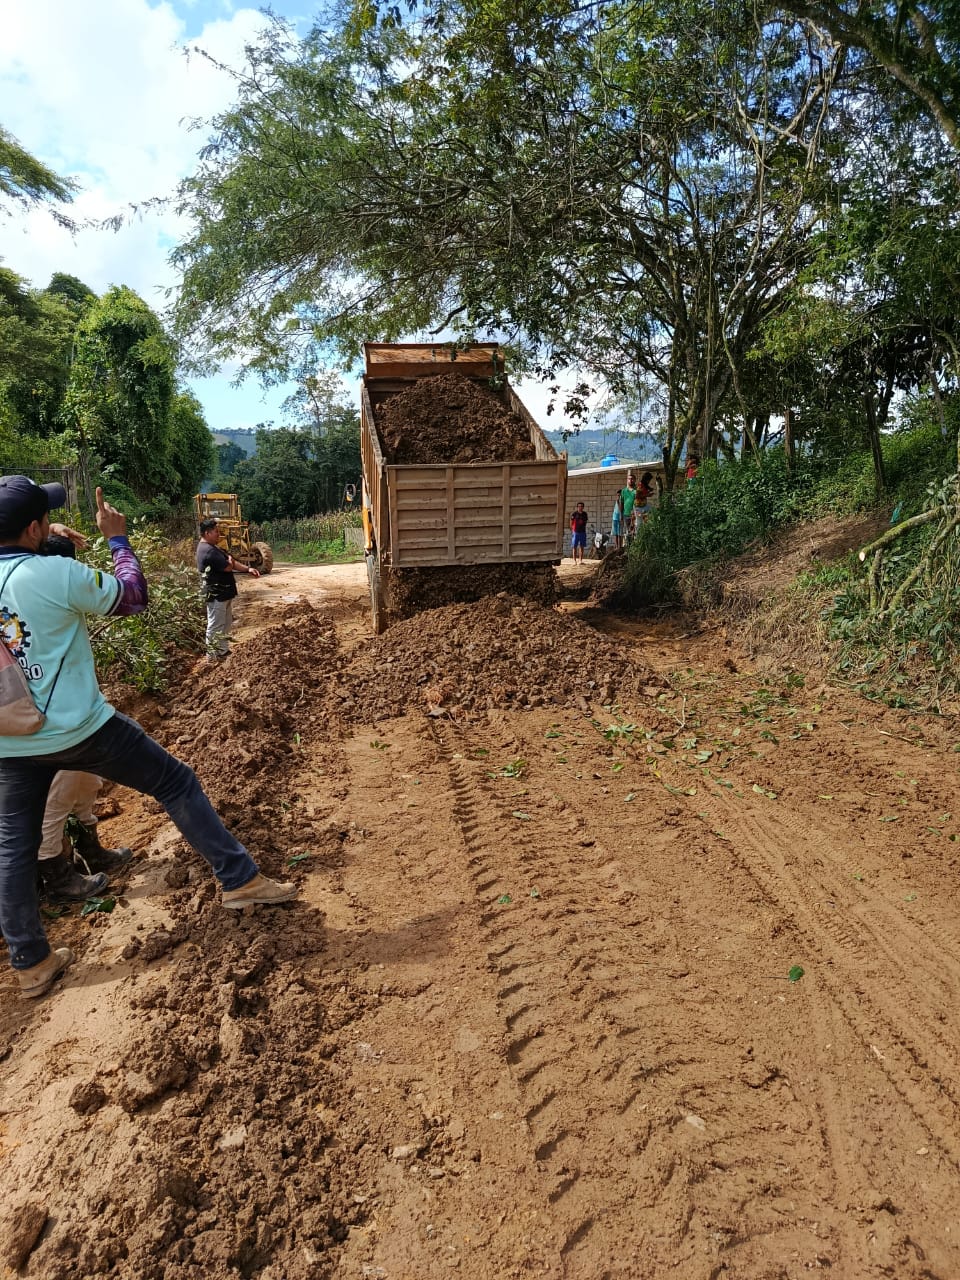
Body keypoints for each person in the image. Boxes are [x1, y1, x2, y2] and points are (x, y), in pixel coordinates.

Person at [0, 476, 297, 1000]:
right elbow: (132, 597)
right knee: (175, 783)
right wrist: (116, 539)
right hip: (79, 729)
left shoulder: (36, 565)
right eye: (44, 518)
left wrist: (45, 544)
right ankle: (240, 880)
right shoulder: (55, 574)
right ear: (32, 527)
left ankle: (31, 963)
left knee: (13, 848)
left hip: (10, 740)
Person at [33, 534, 132, 903]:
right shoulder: (40, 593)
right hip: (55, 722)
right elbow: (131, 595)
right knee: (57, 799)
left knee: (87, 784)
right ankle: (58, 881)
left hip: (75, 714)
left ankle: (91, 850)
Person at [196, 518, 260, 660]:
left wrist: (248, 569)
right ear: (207, 533)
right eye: (216, 532)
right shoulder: (208, 551)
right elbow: (228, 567)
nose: (219, 534)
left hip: (223, 594)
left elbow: (232, 562)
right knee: (215, 625)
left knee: (225, 624)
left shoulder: (214, 548)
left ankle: (223, 651)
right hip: (216, 594)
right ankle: (212, 656)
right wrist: (230, 562)